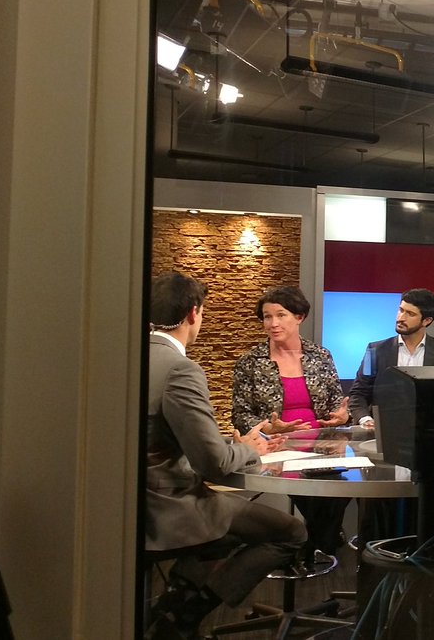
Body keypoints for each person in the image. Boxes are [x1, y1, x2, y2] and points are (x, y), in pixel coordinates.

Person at [144, 272, 306, 640]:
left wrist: (234, 447)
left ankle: (172, 602)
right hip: (167, 507)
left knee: (230, 527)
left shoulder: (127, 355)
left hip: (130, 503)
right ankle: (184, 616)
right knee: (290, 532)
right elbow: (213, 463)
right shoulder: (179, 368)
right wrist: (249, 448)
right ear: (193, 313)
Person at [231, 285, 351, 561]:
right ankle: (320, 542)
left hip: (322, 446)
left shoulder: (321, 356)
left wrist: (342, 416)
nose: (272, 323)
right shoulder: (250, 362)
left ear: (299, 317)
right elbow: (239, 415)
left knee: (343, 484)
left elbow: (337, 403)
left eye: (280, 315)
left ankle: (311, 543)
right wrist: (268, 427)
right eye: (267, 317)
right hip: (278, 447)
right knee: (315, 492)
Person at [348, 288, 434, 426]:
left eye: (410, 314)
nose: (401, 318)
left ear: (426, 321)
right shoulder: (374, 351)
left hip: (428, 430)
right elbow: (358, 393)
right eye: (401, 310)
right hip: (384, 429)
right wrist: (365, 419)